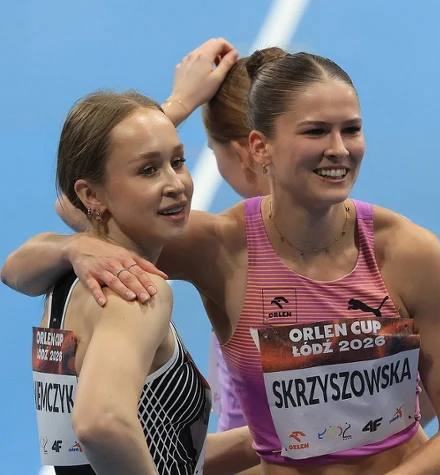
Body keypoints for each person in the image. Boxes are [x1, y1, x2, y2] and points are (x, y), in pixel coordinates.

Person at [3, 47, 440, 475]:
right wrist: (71, 247)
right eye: (316, 131)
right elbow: (39, 247)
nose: (339, 150)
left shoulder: (409, 253)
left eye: (352, 129)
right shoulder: (217, 246)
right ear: (259, 147)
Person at [16, 90, 259, 475]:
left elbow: (163, 455)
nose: (176, 184)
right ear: (90, 194)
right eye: (148, 170)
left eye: (178, 162)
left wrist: (272, 439)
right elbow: (101, 425)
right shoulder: (136, 293)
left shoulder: (63, 280)